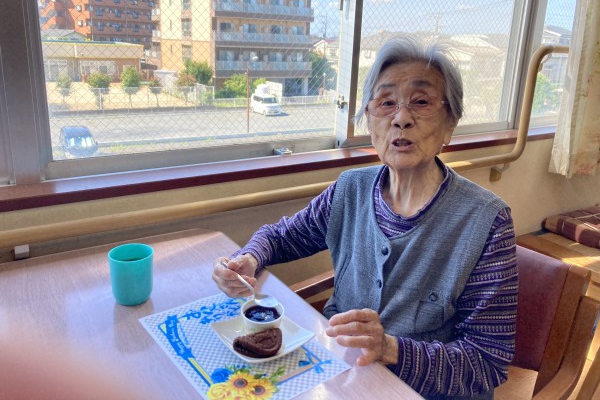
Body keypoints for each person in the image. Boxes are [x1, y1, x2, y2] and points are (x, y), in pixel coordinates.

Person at [212, 35, 518, 399]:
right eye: (386, 103)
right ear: (369, 120)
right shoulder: (350, 189)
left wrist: (391, 349)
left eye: (421, 102)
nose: (401, 118)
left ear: (450, 122)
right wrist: (249, 259)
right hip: (342, 374)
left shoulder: (488, 221)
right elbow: (282, 236)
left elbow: (487, 362)